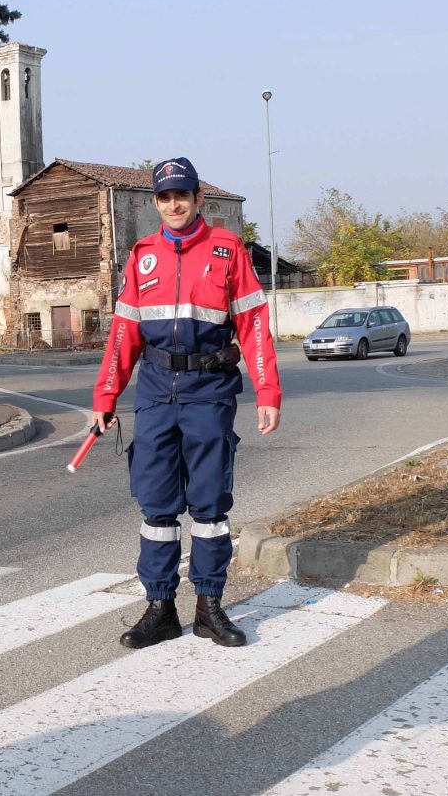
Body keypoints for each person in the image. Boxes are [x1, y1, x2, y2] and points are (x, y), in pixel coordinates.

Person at [91, 156, 281, 650]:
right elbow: (123, 334)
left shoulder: (227, 249)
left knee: (210, 505)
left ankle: (209, 606)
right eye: (165, 197)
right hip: (156, 392)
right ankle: (160, 609)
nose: (174, 204)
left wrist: (268, 391)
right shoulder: (142, 255)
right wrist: (106, 396)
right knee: (156, 507)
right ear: (156, 203)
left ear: (198, 199)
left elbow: (254, 325)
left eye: (182, 195)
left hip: (209, 391)